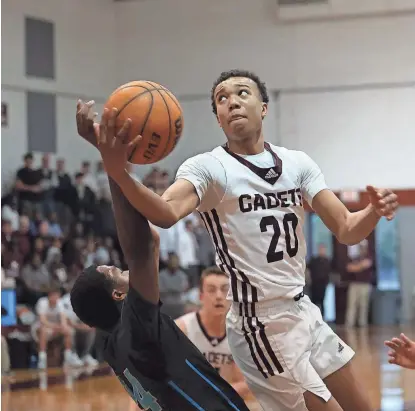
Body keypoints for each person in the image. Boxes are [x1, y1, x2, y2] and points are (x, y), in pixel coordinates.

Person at [77, 68, 398, 411]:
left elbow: (347, 229)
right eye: (222, 99)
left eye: (242, 93)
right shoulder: (208, 168)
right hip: (259, 322)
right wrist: (120, 173)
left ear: (263, 107)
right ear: (218, 119)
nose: (232, 102)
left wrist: (373, 212)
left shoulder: (297, 163)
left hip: (302, 308)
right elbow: (165, 214)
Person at [71, 104, 250, 411]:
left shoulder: (112, 344)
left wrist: (114, 164)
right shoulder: (137, 329)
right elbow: (142, 249)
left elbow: (149, 240)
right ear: (117, 293)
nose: (121, 266)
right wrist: (115, 167)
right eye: (115, 270)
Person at [175, 266, 250, 399]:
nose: (219, 296)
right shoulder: (182, 329)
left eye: (225, 289)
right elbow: (156, 374)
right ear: (200, 296)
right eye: (211, 290)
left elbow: (245, 383)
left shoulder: (240, 336)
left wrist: (215, 392)